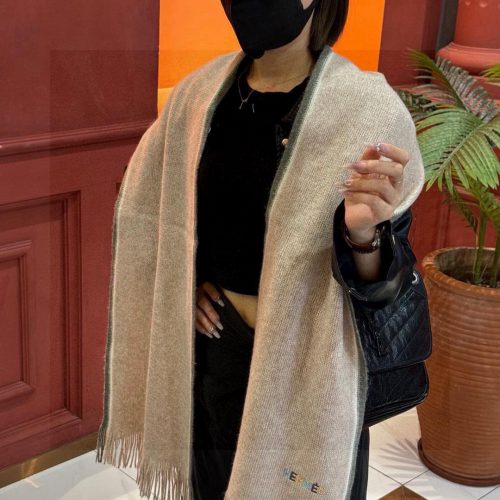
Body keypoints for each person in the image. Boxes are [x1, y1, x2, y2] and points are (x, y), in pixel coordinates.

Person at [190, 1, 409, 498]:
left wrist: (363, 234)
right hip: (221, 353)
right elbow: (166, 220)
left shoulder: (362, 108)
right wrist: (186, 282)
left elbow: (383, 285)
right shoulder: (201, 100)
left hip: (314, 366)